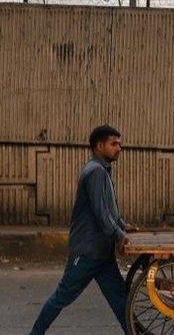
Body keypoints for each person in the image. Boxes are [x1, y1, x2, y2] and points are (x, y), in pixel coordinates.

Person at [30, 125, 137, 335]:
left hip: (101, 253)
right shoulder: (95, 172)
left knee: (121, 299)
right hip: (87, 252)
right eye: (113, 144)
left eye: (120, 144)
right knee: (62, 297)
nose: (119, 148)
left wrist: (122, 226)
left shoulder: (102, 170)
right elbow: (100, 213)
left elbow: (109, 208)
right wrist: (118, 234)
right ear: (99, 146)